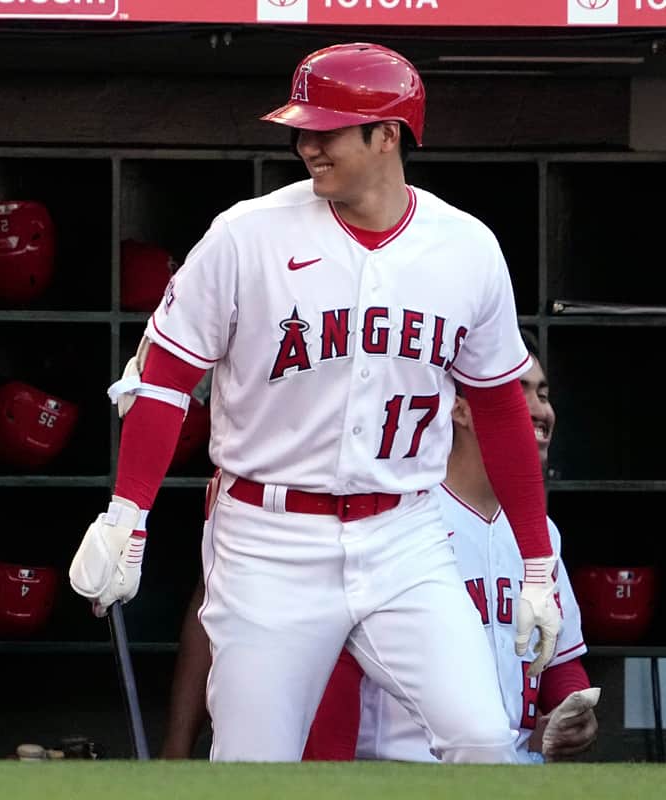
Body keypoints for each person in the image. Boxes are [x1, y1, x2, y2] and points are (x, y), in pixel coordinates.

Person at [69, 43, 561, 763]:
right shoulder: (246, 235)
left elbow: (498, 407)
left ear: (387, 134)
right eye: (301, 128)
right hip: (269, 539)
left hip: (405, 535)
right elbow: (165, 378)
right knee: (251, 762)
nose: (306, 144)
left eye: (327, 129)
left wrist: (538, 566)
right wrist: (126, 516)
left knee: (483, 738)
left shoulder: (467, 248)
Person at [303, 335, 598, 763]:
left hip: (510, 770)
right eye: (520, 391)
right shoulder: (398, 518)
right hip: (403, 771)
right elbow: (336, 673)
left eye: (544, 394)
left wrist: (573, 712)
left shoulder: (542, 535)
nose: (541, 409)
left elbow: (558, 663)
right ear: (459, 409)